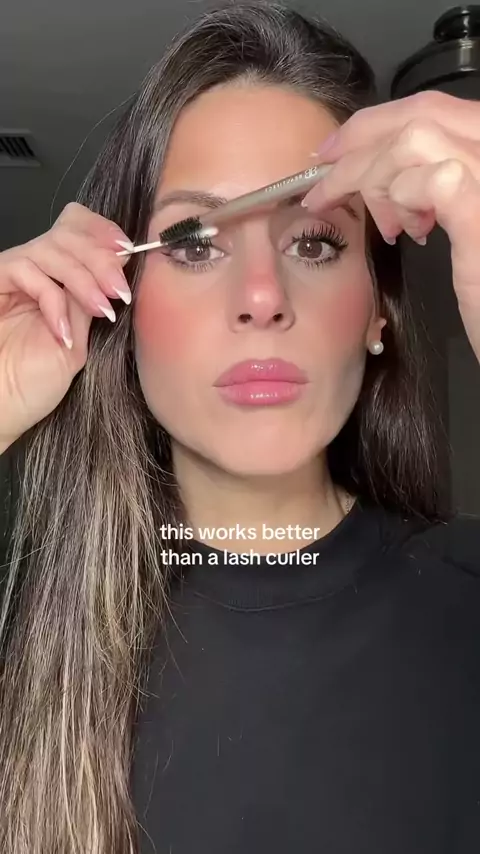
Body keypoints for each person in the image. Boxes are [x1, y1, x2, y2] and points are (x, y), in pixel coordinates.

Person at [0, 2, 480, 852]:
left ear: (378, 313)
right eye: (194, 243)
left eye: (315, 244)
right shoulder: (26, 646)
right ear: (122, 309)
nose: (262, 297)